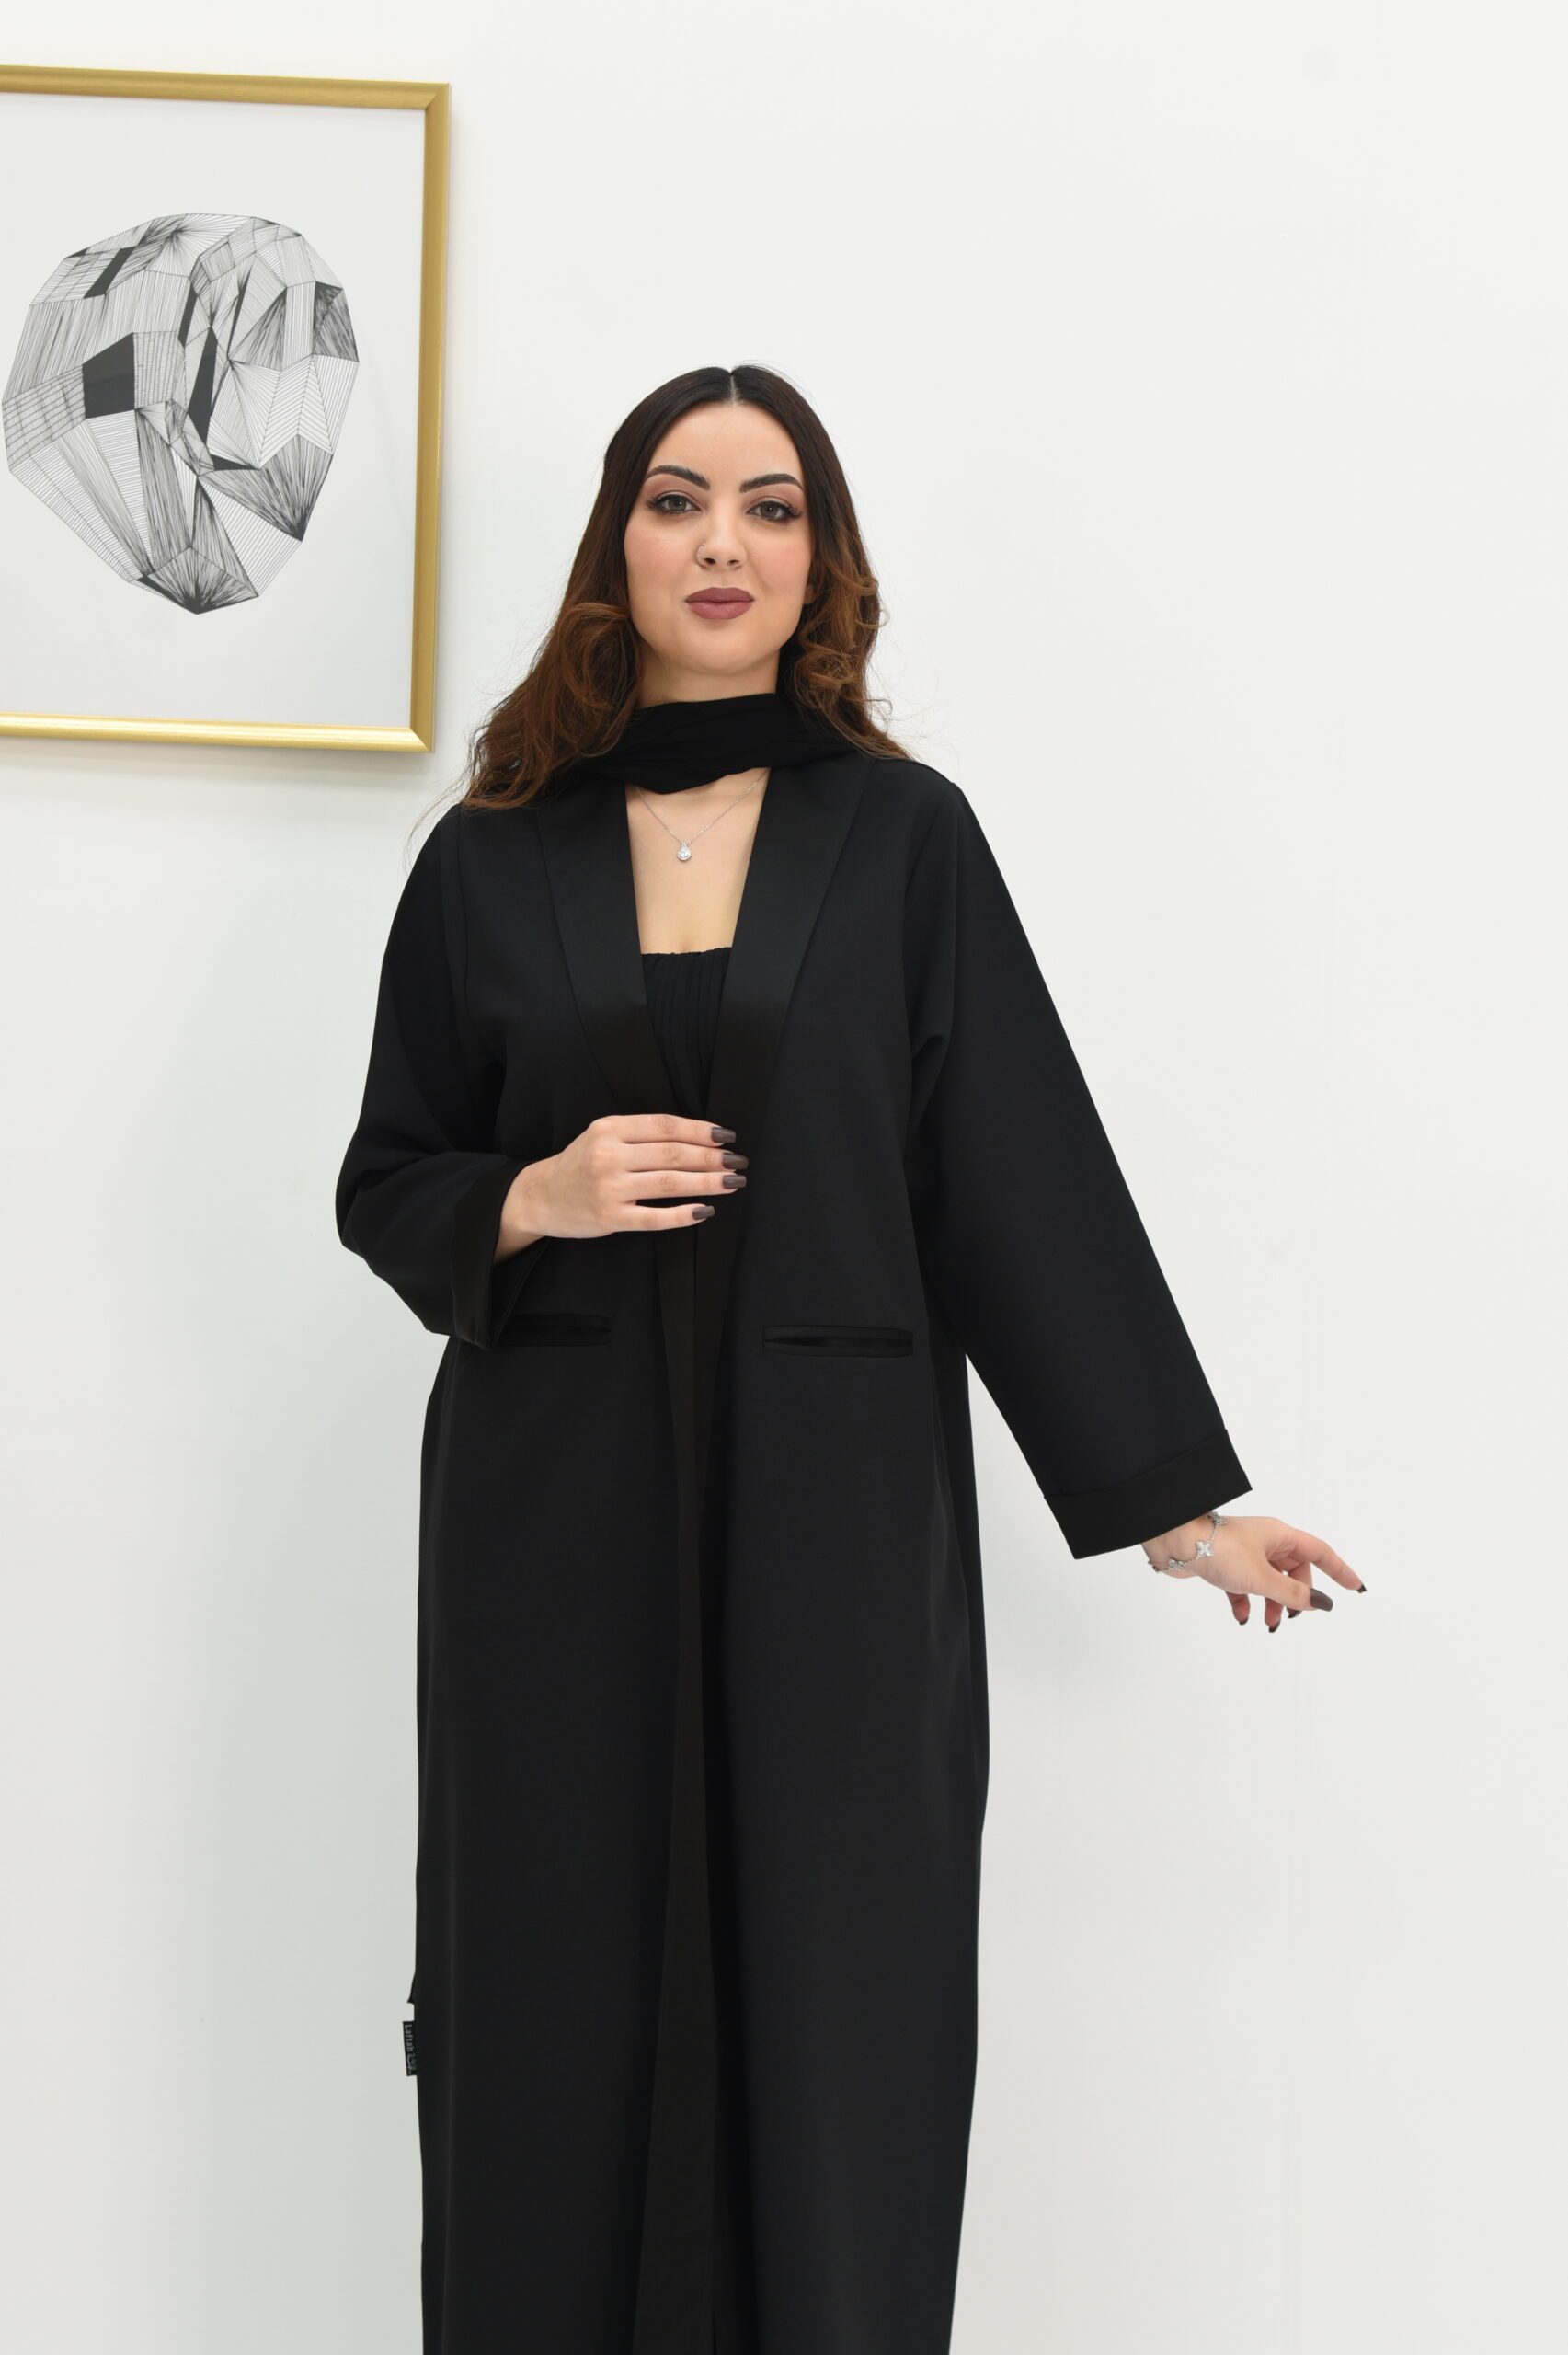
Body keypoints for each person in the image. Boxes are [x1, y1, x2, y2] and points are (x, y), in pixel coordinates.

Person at [334, 362, 1363, 2355]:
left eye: (771, 504)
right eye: (676, 499)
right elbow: (391, 1177)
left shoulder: (901, 839)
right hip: (553, 1511)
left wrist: (1171, 1506)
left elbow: (1014, 1175)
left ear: (823, 560)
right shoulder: (493, 852)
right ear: (615, 547)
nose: (721, 541)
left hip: (838, 1517)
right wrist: (533, 1193)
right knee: (549, 1967)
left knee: (840, 1979)